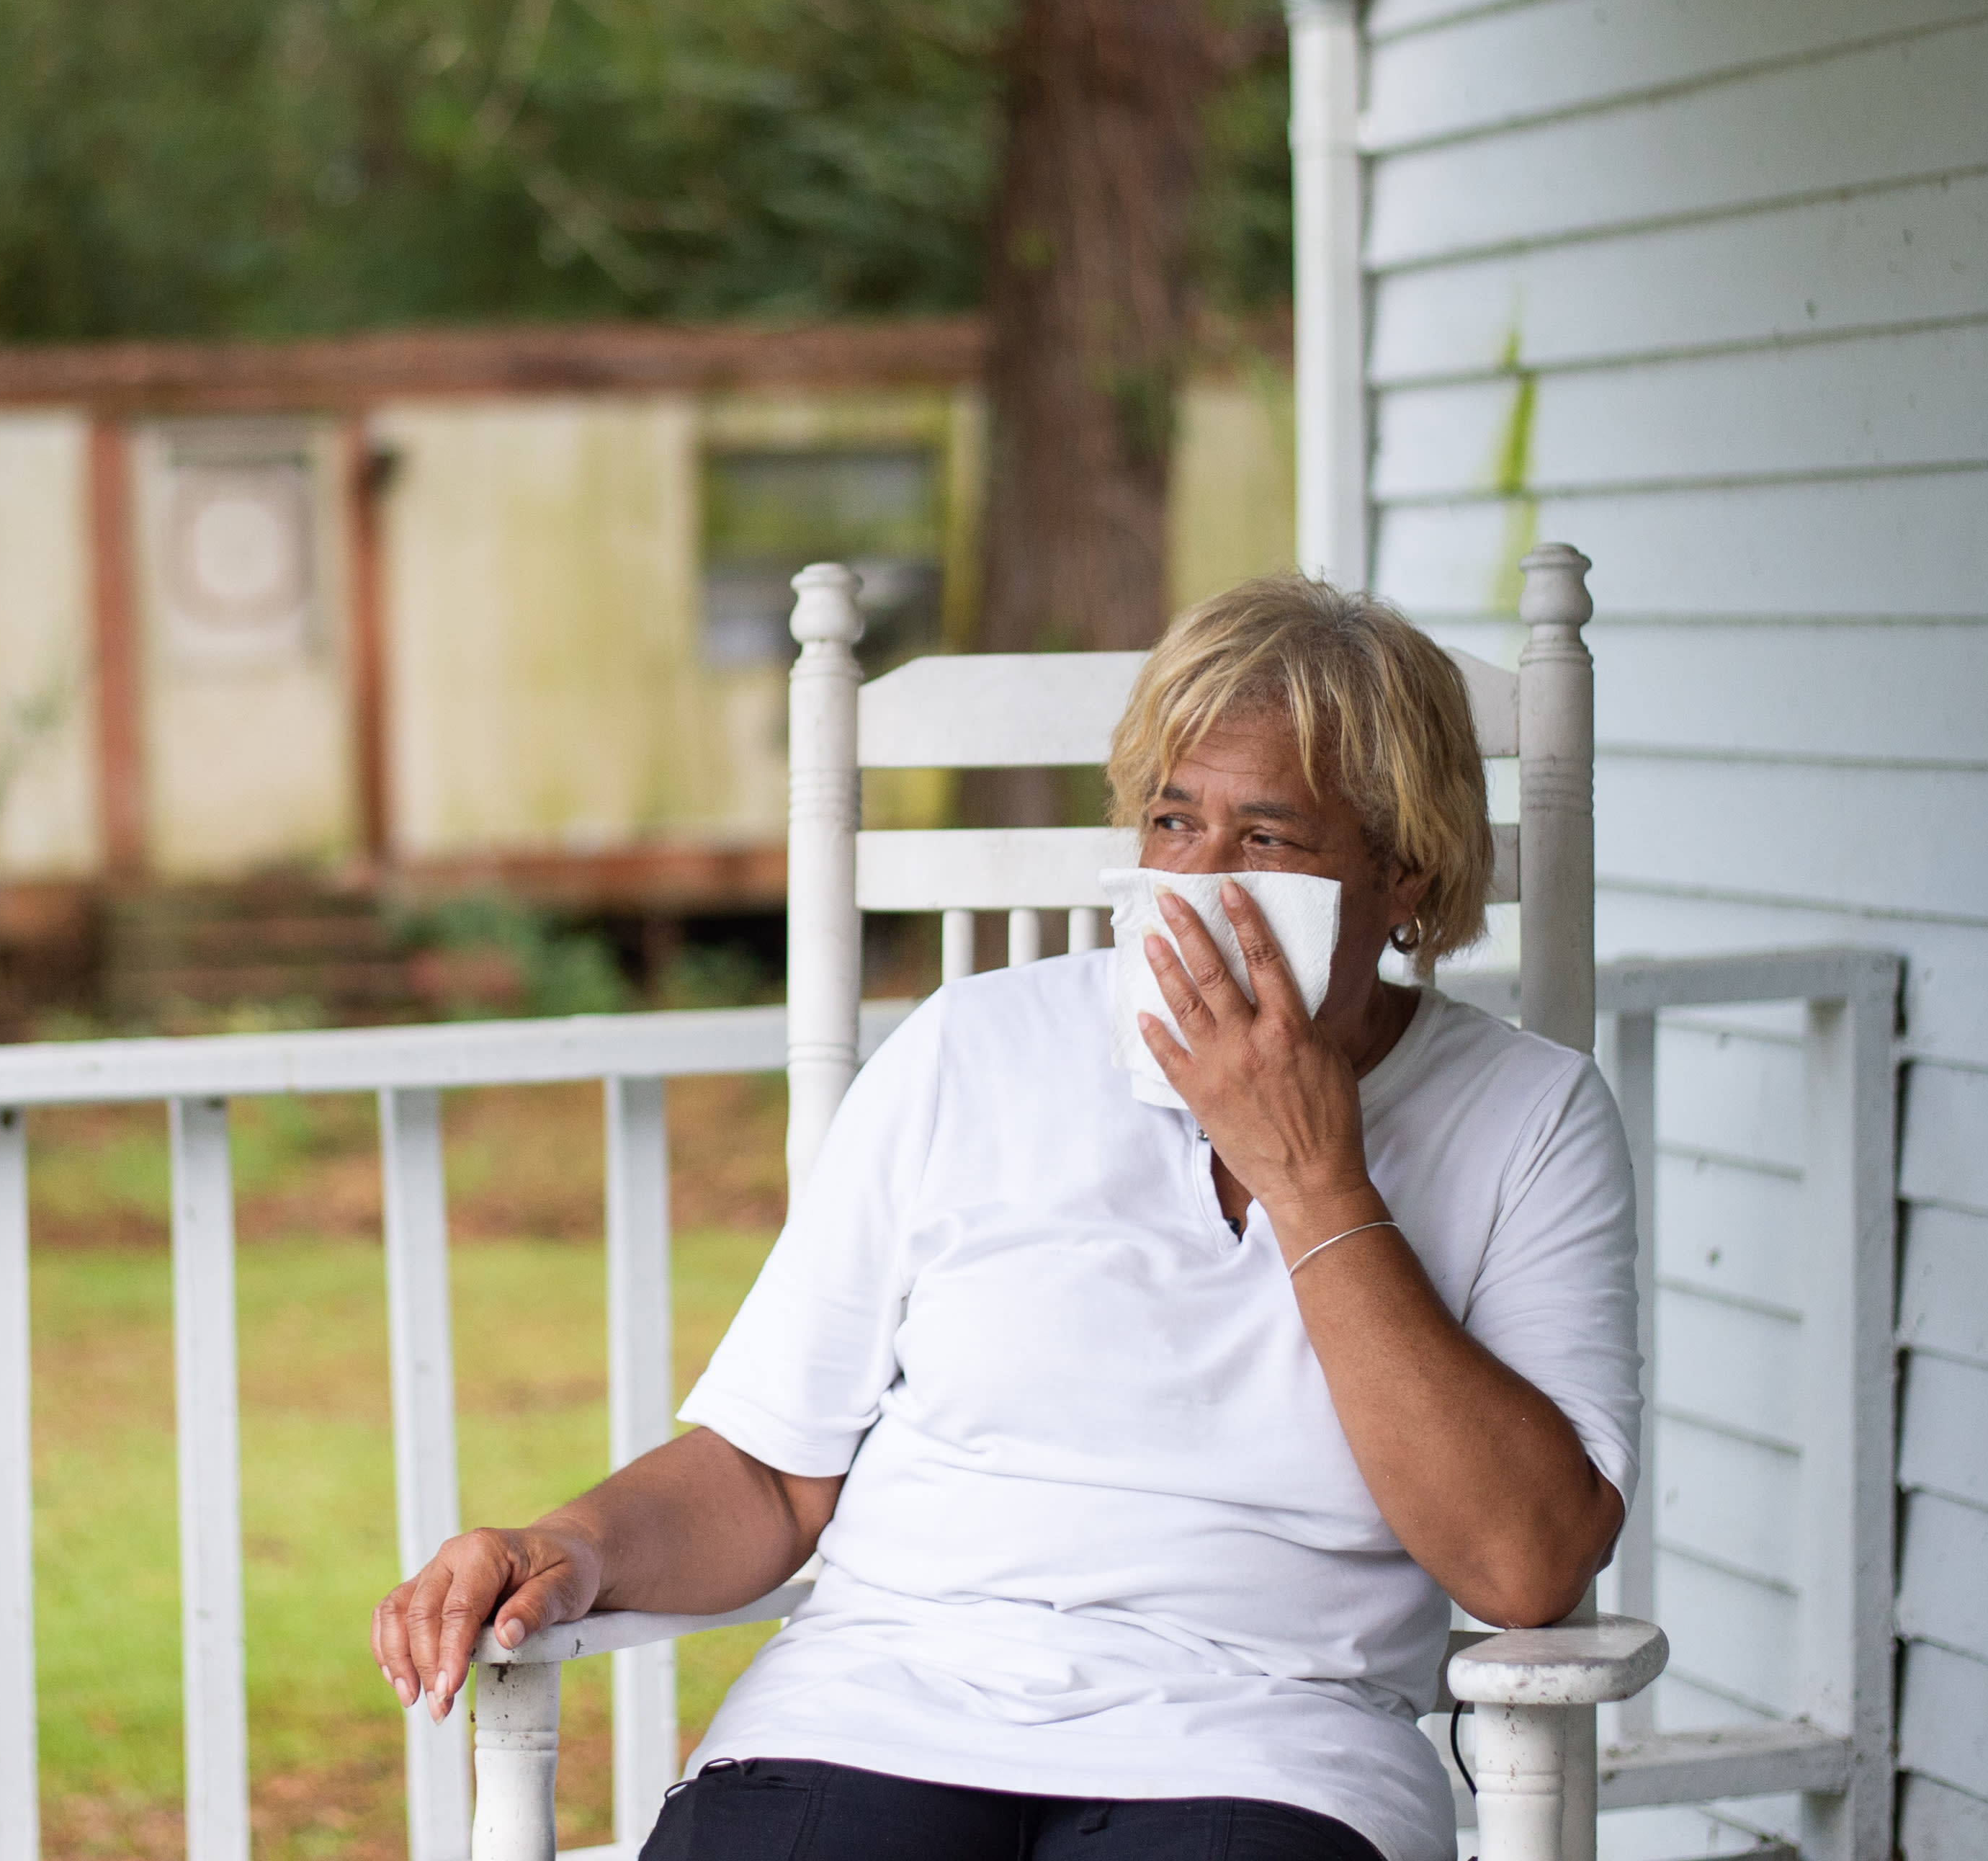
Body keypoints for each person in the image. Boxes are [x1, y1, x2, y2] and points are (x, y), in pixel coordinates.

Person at [370, 576, 1640, 1861]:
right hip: (873, 1715)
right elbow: (770, 1470)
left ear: (1404, 873)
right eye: (1170, 821)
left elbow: (1526, 1565)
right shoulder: (969, 1049)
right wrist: (566, 1543)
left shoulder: (1527, 1118)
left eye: (1268, 840)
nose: (1197, 882)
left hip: (1262, 1741)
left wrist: (1318, 1182)